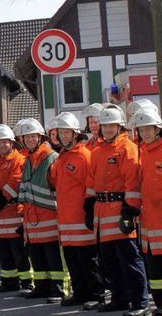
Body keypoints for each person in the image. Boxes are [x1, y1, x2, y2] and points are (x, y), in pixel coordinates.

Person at [85, 105, 149, 315]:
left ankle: (140, 303)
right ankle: (119, 298)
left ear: (119, 126)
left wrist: (130, 211)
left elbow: (133, 182)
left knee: (129, 261)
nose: (109, 129)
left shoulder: (127, 148)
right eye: (105, 126)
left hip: (120, 212)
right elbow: (91, 181)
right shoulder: (97, 151)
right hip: (102, 214)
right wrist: (88, 205)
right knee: (109, 262)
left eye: (112, 125)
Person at [50, 112, 105, 310]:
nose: (63, 136)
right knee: (73, 260)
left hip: (80, 219)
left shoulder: (83, 155)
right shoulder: (63, 156)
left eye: (67, 132)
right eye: (61, 132)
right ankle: (80, 293)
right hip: (66, 219)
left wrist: (89, 211)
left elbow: (91, 185)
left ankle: (96, 294)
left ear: (75, 134)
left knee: (88, 260)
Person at [15, 118, 67, 304]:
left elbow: (57, 187)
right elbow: (25, 188)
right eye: (26, 137)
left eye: (33, 137)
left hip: (49, 217)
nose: (29, 140)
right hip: (32, 218)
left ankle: (59, 288)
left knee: (53, 257)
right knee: (37, 256)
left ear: (40, 137)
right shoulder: (29, 158)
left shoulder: (51, 157)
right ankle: (42, 287)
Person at [0, 125, 32, 293]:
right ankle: (9, 282)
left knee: (19, 251)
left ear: (12, 143)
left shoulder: (18, 160)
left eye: (5, 142)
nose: (2, 145)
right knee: (4, 251)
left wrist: (0, 198)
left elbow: (16, 182)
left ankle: (27, 283)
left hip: (13, 213)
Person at [131, 108, 162, 315]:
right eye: (141, 130)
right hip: (149, 223)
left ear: (157, 128)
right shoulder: (142, 153)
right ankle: (160, 306)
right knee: (155, 269)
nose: (145, 134)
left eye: (148, 129)